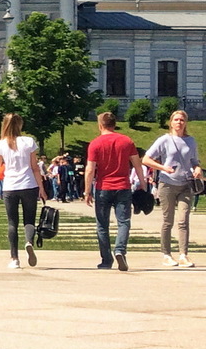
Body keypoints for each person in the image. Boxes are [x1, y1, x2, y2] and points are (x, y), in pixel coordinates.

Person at [84, 111, 147, 271]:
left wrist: (87, 191)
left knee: (102, 225)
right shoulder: (126, 141)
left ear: (100, 125)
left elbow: (90, 169)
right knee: (124, 222)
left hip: (103, 187)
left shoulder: (95, 143)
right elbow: (137, 164)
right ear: (115, 124)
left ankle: (106, 260)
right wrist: (142, 183)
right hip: (123, 186)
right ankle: (120, 250)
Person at [0, 113, 47, 270]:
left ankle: (14, 258)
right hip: (29, 185)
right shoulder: (28, 142)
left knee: (12, 222)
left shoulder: (1, 144)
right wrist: (41, 189)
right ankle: (29, 241)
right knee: (29, 220)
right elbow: (35, 168)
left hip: (10, 186)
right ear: (20, 125)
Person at [145, 110, 203, 267]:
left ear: (186, 123)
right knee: (168, 221)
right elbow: (146, 159)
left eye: (182, 120)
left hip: (185, 184)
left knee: (184, 220)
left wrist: (197, 168)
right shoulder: (164, 140)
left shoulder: (191, 141)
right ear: (171, 123)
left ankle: (184, 254)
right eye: (176, 120)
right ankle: (166, 254)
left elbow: (194, 160)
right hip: (167, 184)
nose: (179, 122)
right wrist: (162, 167)